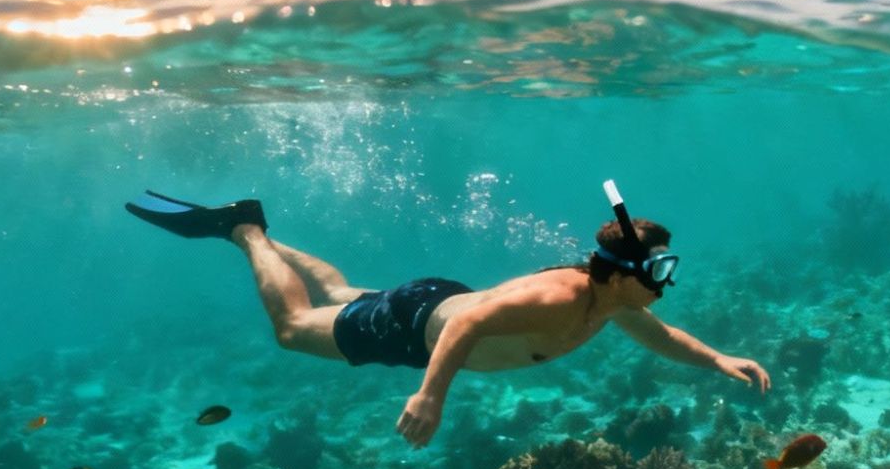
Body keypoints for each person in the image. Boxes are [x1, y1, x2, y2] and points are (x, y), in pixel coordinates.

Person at [123, 183, 770, 447]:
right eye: (657, 269)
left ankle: (256, 229)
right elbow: (465, 327)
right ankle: (246, 232)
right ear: (625, 270)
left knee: (345, 290)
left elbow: (661, 336)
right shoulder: (563, 298)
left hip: (433, 301)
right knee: (294, 328)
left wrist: (716, 358)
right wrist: (431, 395)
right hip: (417, 326)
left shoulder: (610, 302)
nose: (666, 282)